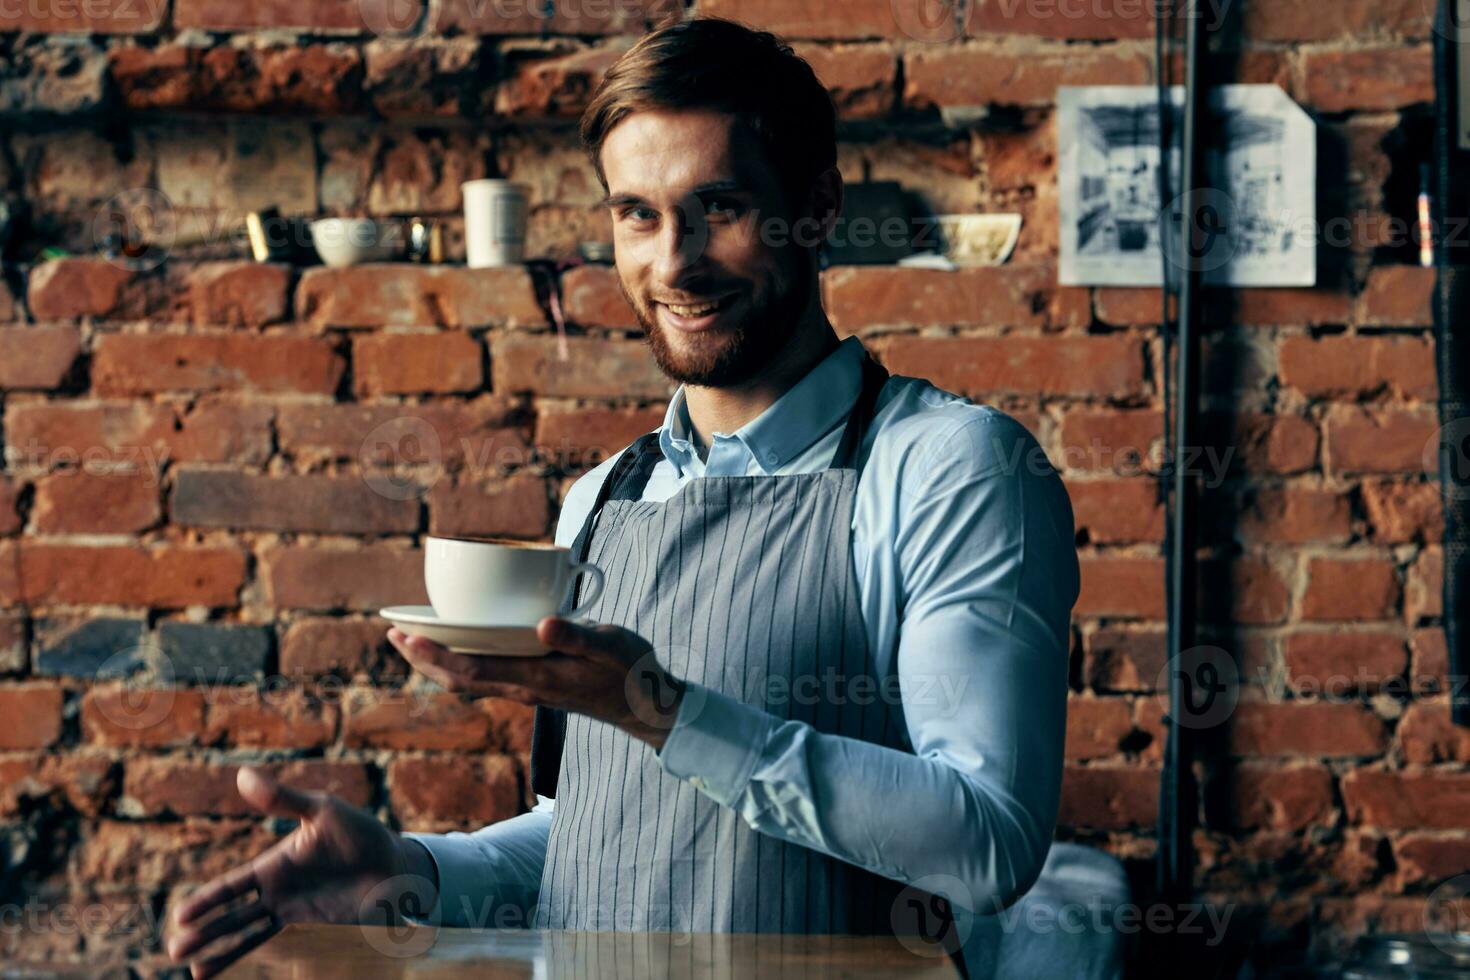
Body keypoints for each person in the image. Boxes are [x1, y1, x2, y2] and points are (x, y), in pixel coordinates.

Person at [166, 17, 1080, 978]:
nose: (673, 262)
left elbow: (988, 844)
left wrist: (666, 712)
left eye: (717, 207)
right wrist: (411, 874)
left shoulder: (951, 469)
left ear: (816, 208)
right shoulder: (606, 498)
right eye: (637, 214)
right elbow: (597, 836)